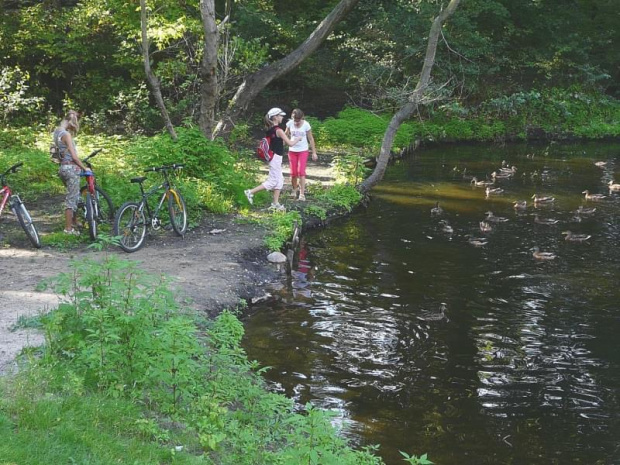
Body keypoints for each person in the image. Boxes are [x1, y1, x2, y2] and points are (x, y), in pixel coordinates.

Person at [244, 108, 301, 211]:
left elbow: (279, 143)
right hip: (275, 158)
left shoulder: (270, 130)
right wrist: (298, 138)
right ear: (275, 117)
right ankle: (250, 192)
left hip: (274, 157)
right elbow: (290, 143)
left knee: (280, 180)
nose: (282, 117)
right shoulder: (278, 130)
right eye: (280, 115)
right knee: (273, 181)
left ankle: (275, 203)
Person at [53, 110, 89, 235]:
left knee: (75, 195)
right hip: (71, 169)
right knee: (72, 198)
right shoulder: (66, 135)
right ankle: (68, 229)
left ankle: (74, 221)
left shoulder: (57, 132)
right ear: (70, 122)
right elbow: (74, 156)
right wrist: (85, 168)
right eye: (74, 125)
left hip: (62, 168)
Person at [285, 108, 317, 201]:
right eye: (295, 120)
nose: (296, 122)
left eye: (298, 120)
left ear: (302, 118)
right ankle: (294, 190)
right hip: (292, 150)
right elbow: (285, 135)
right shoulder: (289, 123)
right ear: (292, 117)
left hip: (303, 150)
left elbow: (310, 139)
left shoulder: (306, 124)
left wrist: (314, 152)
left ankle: (302, 194)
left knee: (301, 172)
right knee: (293, 173)